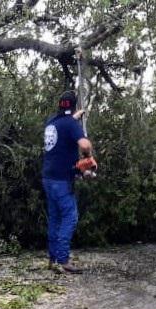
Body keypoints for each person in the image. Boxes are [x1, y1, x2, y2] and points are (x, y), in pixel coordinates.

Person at [42, 91, 93, 273]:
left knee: (55, 218)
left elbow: (66, 122)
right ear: (72, 106)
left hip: (48, 178)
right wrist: (88, 157)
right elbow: (85, 145)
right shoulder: (71, 124)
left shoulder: (52, 122)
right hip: (62, 180)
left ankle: (52, 258)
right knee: (70, 217)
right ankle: (63, 260)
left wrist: (75, 117)